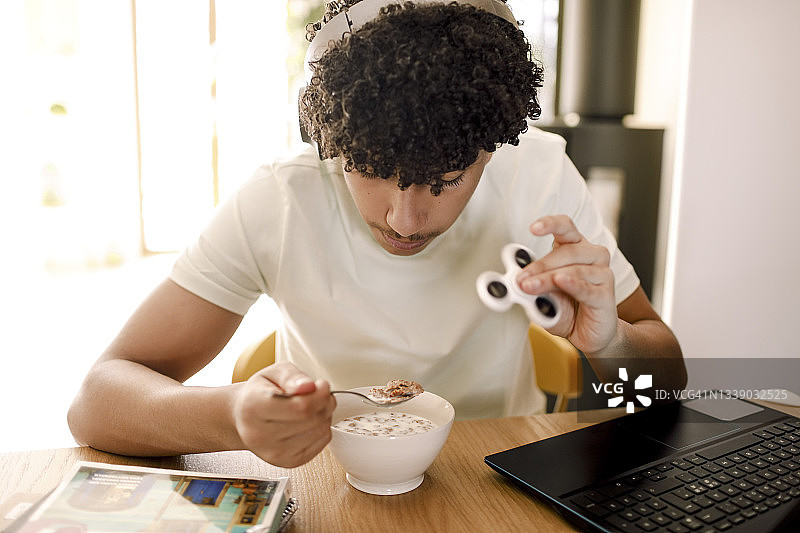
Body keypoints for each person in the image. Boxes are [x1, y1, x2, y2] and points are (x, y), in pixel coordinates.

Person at [68, 0, 686, 468]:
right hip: (328, 481)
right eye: (370, 170)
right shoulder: (282, 199)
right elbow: (95, 402)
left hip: (498, 479)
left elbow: (669, 382)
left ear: (491, 148)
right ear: (335, 140)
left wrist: (611, 347)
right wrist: (230, 416)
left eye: (444, 177)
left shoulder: (540, 172)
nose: (404, 220)